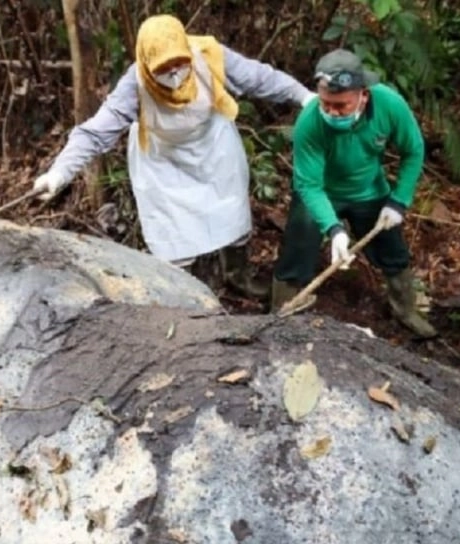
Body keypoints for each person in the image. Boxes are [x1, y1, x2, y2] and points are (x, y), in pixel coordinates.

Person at [32, 14, 316, 299]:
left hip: (213, 146)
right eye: (164, 67)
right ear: (146, 64)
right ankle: (183, 294)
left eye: (180, 62)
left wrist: (304, 97)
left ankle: (237, 274)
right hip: (162, 158)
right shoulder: (135, 84)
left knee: (231, 210)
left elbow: (260, 78)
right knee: (172, 235)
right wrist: (60, 172)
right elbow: (95, 132)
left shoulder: (209, 55)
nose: (175, 72)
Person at [270, 49, 437, 338]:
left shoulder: (389, 106)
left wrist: (399, 201)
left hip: (369, 191)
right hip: (320, 192)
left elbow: (413, 150)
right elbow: (309, 185)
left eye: (341, 105)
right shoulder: (310, 122)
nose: (332, 112)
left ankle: (406, 308)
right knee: (297, 249)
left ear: (363, 95)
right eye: (326, 104)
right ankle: (281, 311)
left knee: (391, 250)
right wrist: (334, 228)